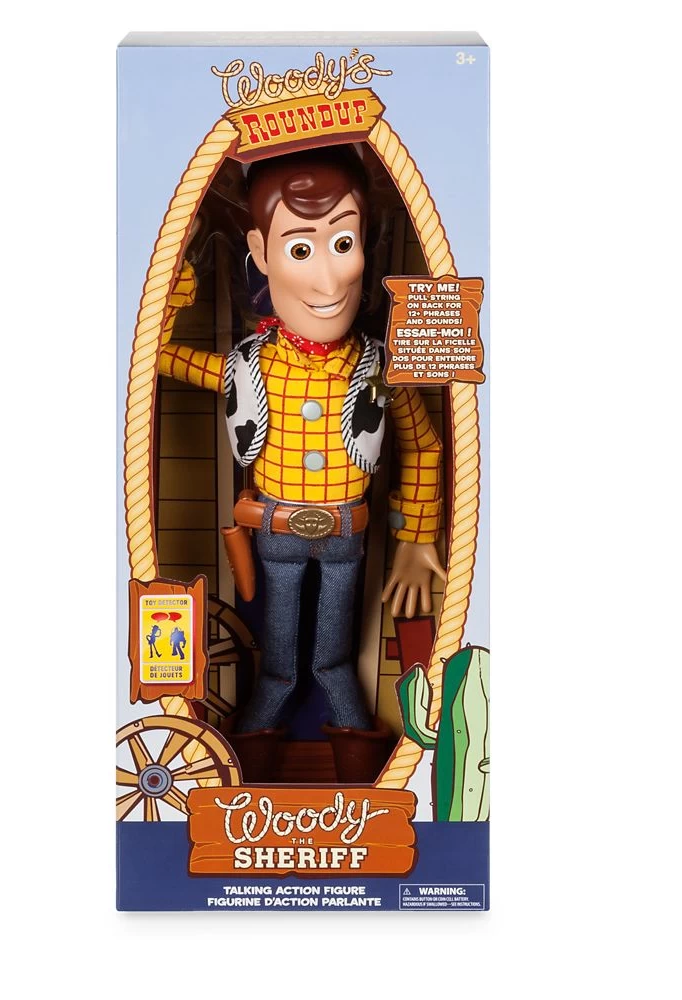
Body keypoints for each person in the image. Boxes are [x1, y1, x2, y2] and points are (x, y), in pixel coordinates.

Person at [157, 146, 445, 781]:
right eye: (299, 248)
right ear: (260, 253)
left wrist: (416, 537)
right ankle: (248, 771)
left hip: (346, 536)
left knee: (334, 664)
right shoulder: (248, 365)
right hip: (275, 534)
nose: (328, 281)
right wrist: (169, 295)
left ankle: (364, 780)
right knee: (281, 666)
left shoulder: (379, 366)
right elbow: (162, 355)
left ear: (366, 246)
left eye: (343, 244)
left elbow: (425, 445)